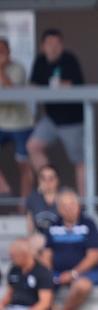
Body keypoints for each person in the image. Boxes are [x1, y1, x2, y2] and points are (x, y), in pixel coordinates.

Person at [27, 29, 87, 195]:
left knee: (81, 161)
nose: (53, 48)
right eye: (49, 44)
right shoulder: (40, 61)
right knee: (33, 146)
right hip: (51, 119)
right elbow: (31, 86)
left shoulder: (69, 60)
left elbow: (76, 85)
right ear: (43, 47)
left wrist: (60, 85)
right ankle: (50, 187)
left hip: (72, 121)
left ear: (62, 45)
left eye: (57, 44)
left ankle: (84, 204)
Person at [41, 189, 98, 310]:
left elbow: (93, 256)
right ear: (59, 209)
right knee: (38, 281)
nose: (69, 209)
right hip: (57, 273)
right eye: (64, 206)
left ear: (78, 206)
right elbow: (46, 255)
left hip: (84, 273)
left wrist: (73, 273)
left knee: (82, 286)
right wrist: (47, 275)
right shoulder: (53, 226)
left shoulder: (88, 225)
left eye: (72, 205)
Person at [0, 37, 35, 198]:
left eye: (2, 51)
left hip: (21, 124)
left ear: (9, 52)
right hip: (1, 123)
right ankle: (3, 186)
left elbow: (13, 94)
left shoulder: (18, 68)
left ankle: (24, 205)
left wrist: (0, 69)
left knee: (24, 165)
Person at [25, 165, 59, 257]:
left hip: (60, 238)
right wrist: (31, 238)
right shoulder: (34, 197)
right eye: (43, 178)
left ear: (57, 180)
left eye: (51, 178)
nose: (47, 182)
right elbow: (30, 221)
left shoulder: (63, 197)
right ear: (39, 180)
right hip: (40, 238)